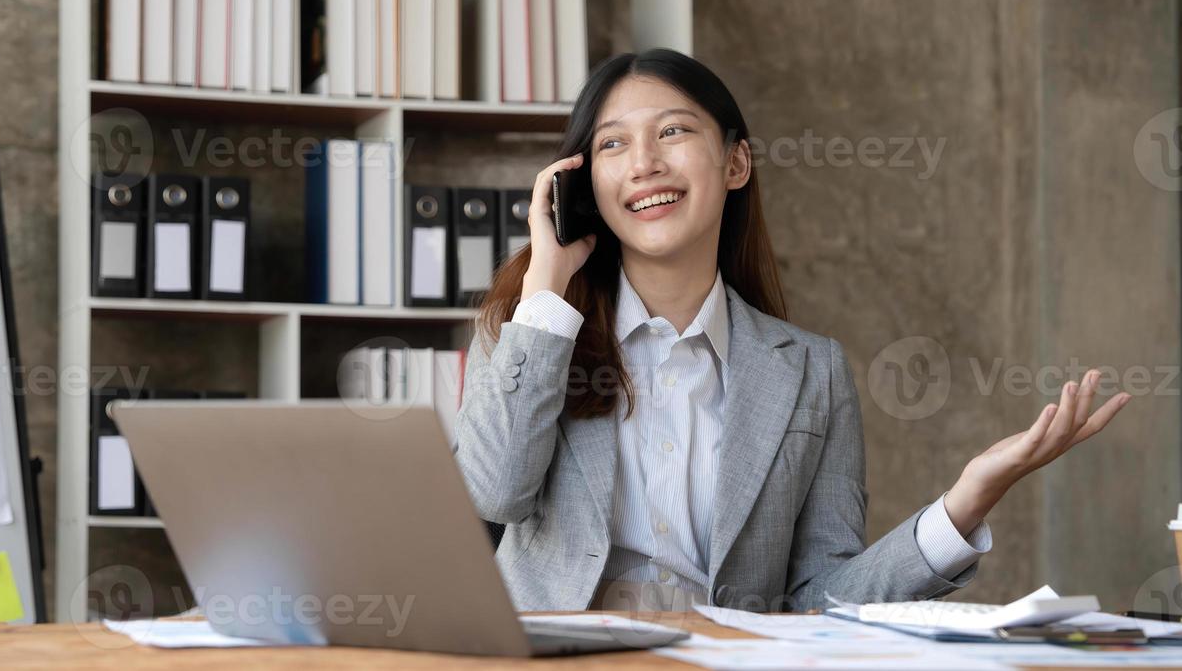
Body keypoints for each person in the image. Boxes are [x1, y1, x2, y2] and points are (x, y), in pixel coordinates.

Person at [451, 48, 1130, 613]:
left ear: (736, 163)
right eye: (612, 144)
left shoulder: (811, 372)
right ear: (583, 184)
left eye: (673, 132)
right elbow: (495, 492)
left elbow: (822, 601)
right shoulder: (532, 331)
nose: (644, 163)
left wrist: (962, 505)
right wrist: (546, 282)